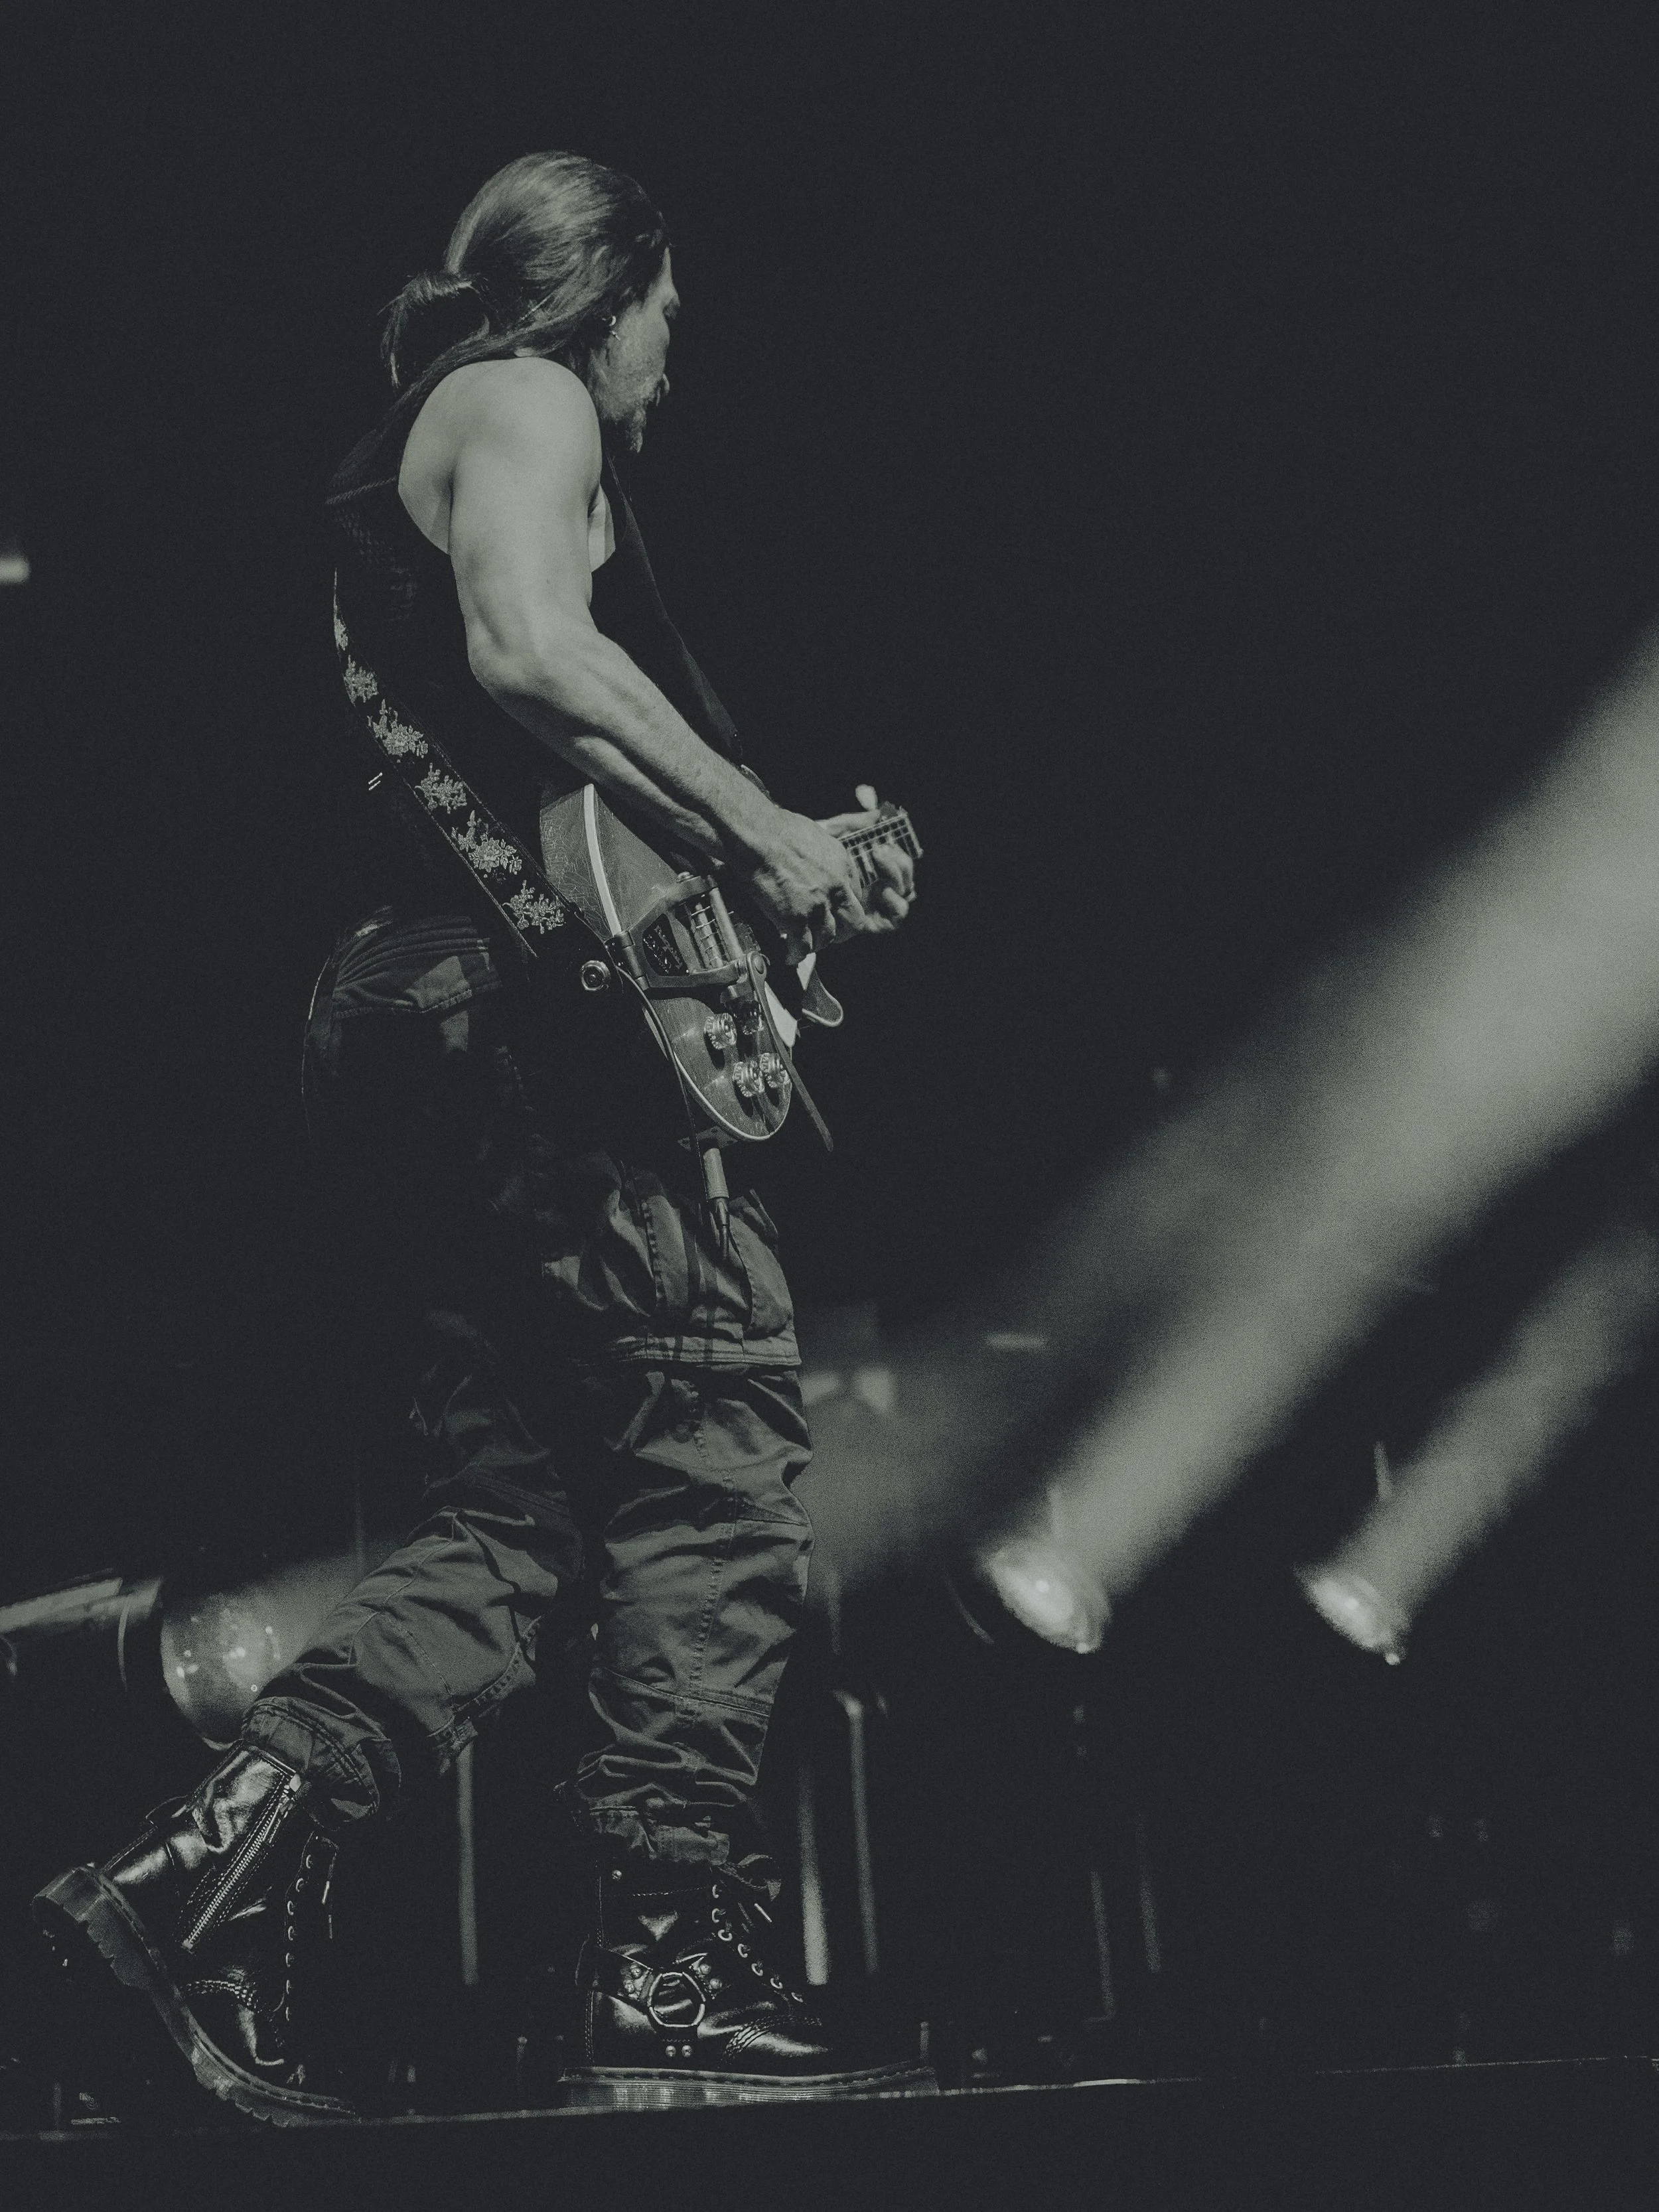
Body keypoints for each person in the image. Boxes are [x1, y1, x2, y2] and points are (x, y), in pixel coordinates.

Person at [33, 151, 921, 2122]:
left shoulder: (407, 445)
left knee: (497, 1530)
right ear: (610, 292)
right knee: (710, 1452)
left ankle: (207, 1877)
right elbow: (528, 644)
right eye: (665, 319)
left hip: (424, 1021)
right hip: (533, 1037)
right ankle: (664, 1968)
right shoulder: (526, 394)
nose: (670, 362)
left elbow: (552, 743)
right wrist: (768, 830)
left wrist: (766, 867)